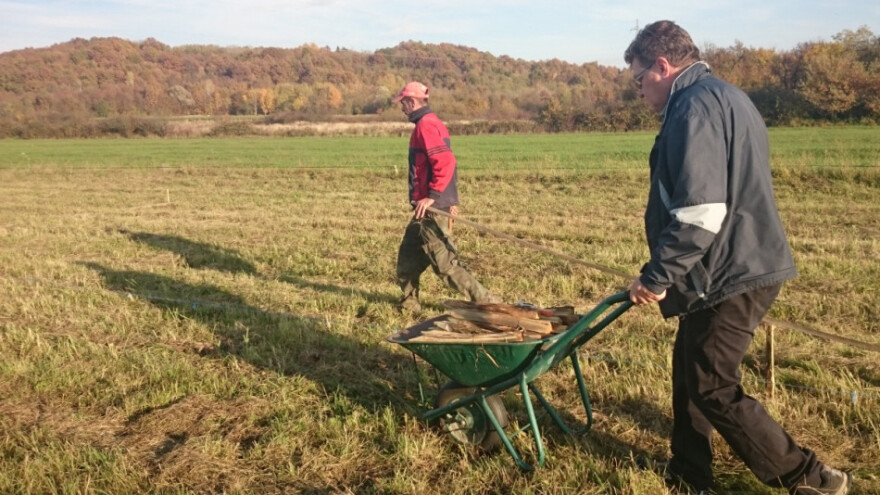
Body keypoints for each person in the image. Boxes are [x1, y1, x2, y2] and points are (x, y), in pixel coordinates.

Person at [624, 21, 852, 495]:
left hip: (729, 269)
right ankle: (689, 472)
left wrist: (658, 275)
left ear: (662, 67)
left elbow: (700, 212)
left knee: (712, 383)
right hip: (730, 261)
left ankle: (810, 478)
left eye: (639, 78)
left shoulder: (692, 107)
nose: (639, 91)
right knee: (690, 365)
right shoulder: (726, 94)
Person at [392, 81, 499, 312]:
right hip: (427, 207)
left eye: (403, 103)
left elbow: (446, 162)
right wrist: (451, 199)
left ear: (412, 101)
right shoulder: (431, 123)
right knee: (408, 258)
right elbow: (447, 163)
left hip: (431, 208)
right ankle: (408, 304)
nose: (401, 108)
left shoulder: (426, 126)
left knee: (445, 265)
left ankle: (489, 304)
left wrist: (434, 196)